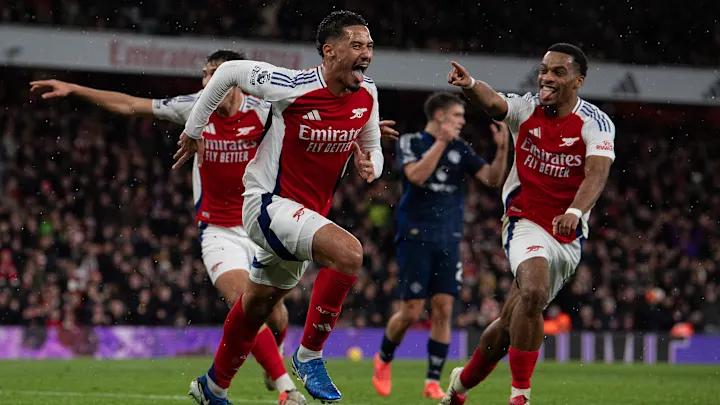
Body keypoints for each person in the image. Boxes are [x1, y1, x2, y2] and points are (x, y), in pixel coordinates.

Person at [29, 50, 308, 405]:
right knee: (244, 303)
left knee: (277, 313)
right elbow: (131, 105)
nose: (208, 82)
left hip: (261, 226)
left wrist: (362, 129)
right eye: (205, 74)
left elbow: (311, 117)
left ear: (236, 79)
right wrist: (74, 88)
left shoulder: (263, 110)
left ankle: (273, 356)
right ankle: (286, 389)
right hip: (218, 231)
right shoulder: (195, 107)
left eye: (217, 74)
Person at [173, 11, 397, 405]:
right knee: (349, 254)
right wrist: (194, 131)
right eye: (357, 45)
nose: (367, 54)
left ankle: (213, 386)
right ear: (329, 51)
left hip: (304, 216)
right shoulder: (290, 85)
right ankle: (309, 356)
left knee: (256, 305)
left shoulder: (368, 94)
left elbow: (373, 146)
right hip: (267, 204)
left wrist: (370, 165)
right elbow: (228, 74)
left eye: (370, 47)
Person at [440, 43, 616, 405]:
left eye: (557, 72)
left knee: (509, 324)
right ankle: (520, 397)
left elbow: (596, 176)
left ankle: (459, 388)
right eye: (543, 70)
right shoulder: (526, 109)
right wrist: (470, 83)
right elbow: (494, 104)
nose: (546, 78)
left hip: (567, 234)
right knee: (534, 291)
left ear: (578, 81)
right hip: (525, 220)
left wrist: (576, 212)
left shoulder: (595, 123)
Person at [371, 92, 509, 399]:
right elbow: (416, 176)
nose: (462, 122)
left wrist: (501, 150)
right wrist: (441, 144)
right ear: (440, 116)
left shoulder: (461, 148)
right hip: (415, 236)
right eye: (458, 116)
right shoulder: (410, 142)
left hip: (449, 238)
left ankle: (432, 380)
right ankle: (383, 358)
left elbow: (491, 178)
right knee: (411, 310)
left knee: (444, 310)